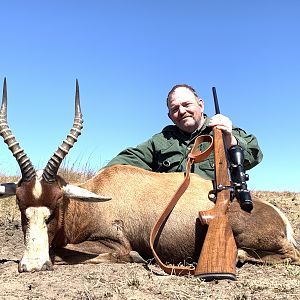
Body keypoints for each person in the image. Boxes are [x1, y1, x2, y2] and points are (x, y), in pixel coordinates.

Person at [106, 84, 263, 180]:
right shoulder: (160, 141)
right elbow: (127, 159)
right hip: (173, 215)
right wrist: (100, 179)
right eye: (175, 109)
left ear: (200, 105)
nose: (181, 111)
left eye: (187, 104)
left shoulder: (223, 130)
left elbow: (255, 154)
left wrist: (230, 141)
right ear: (170, 116)